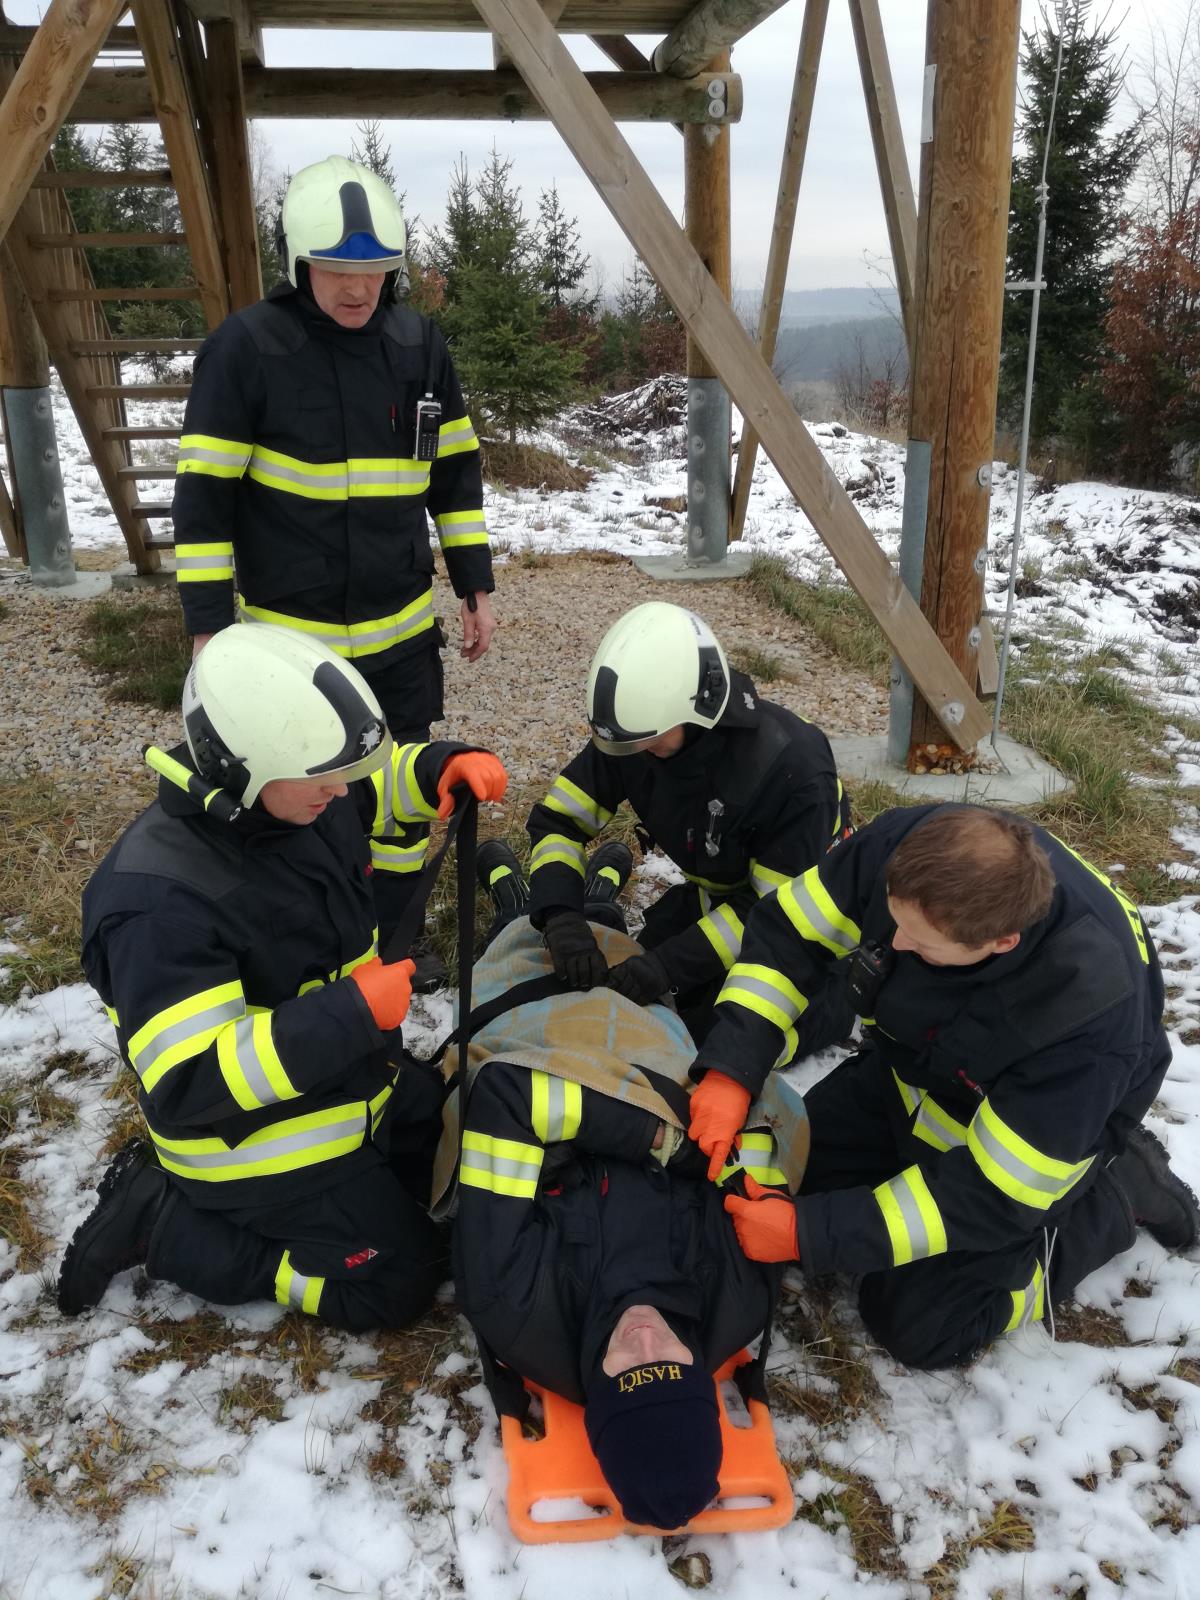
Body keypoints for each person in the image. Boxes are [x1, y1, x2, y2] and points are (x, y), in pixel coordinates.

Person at [57, 623, 507, 1334]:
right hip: (251, 1144)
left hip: (350, 1082)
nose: (340, 788)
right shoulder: (157, 902)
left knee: (474, 1154)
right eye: (322, 776)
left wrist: (434, 770)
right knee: (401, 1280)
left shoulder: (293, 794)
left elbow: (367, 787)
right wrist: (353, 1012)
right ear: (241, 767)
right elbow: (191, 1079)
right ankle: (165, 1221)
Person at [687, 803, 1200, 1371]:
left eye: (922, 942)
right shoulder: (915, 846)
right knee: (786, 1176)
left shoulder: (1084, 1020)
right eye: (894, 919)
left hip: (1028, 1140)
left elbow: (993, 1194)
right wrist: (732, 1068)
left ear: (1001, 942)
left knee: (921, 1324)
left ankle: (1116, 1198)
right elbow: (789, 936)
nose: (896, 942)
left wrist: (805, 1234)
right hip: (914, 1069)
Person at [172, 155, 496, 963]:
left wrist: (475, 583)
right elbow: (204, 501)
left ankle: (395, 942)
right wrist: (208, 629)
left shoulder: (419, 345)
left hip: (402, 641)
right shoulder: (246, 350)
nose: (358, 290)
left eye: (376, 271)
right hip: (295, 649)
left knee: (401, 805)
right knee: (308, 803)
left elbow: (455, 473)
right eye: (337, 271)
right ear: (297, 263)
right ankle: (320, 950)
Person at [441, 903, 807, 1531]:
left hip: (533, 1026)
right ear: (697, 1371)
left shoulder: (512, 1301)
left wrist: (662, 1142)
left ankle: (517, 897)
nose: (642, 1335)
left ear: (597, 1394)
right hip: (647, 1034)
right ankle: (598, 898)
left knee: (527, 927)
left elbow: (507, 1096)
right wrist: (687, 1134)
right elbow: (769, 1122)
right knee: (608, 931)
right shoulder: (738, 1293)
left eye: (626, 1366)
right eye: (667, 1355)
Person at [521, 601, 852, 1045]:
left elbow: (773, 912)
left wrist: (669, 967)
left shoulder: (790, 770)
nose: (636, 754)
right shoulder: (638, 733)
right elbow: (558, 822)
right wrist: (561, 917)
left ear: (699, 712)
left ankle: (840, 997)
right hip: (720, 899)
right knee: (635, 1006)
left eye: (649, 741)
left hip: (800, 920)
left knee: (717, 1037)